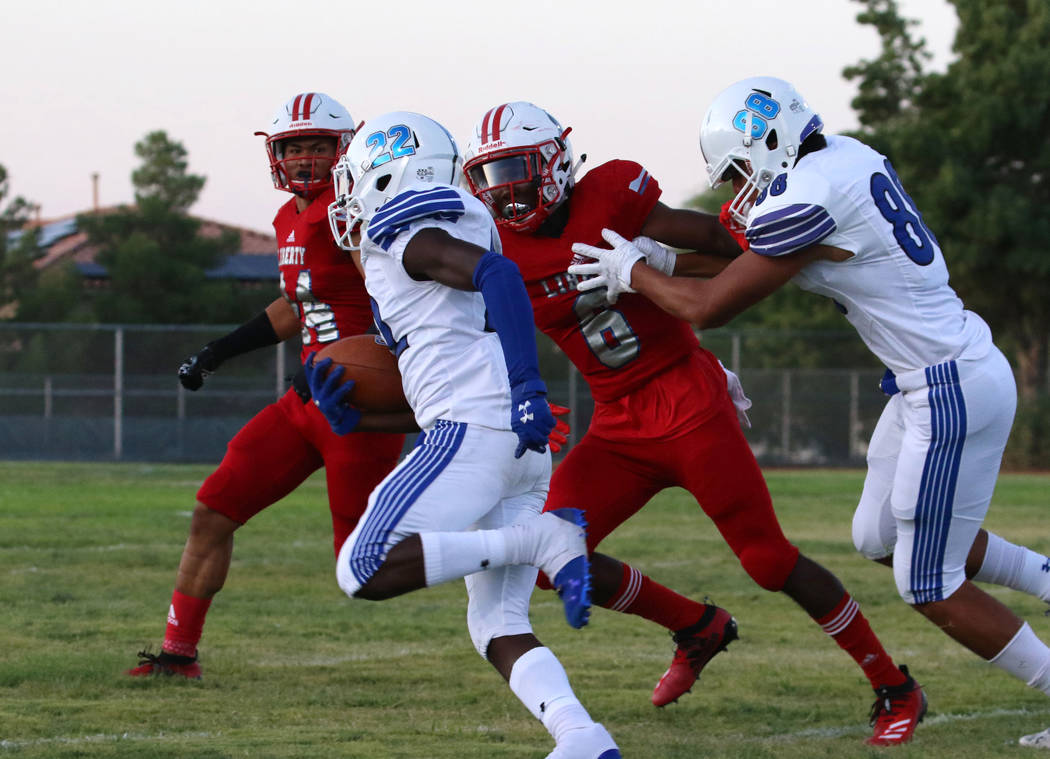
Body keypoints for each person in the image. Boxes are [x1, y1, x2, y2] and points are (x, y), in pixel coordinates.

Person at [569, 75, 1050, 749]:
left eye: (739, 169)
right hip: (929, 380)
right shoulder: (843, 158)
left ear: (770, 142)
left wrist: (634, 271)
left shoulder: (812, 193)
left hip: (950, 386)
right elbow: (742, 255)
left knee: (928, 582)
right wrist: (655, 257)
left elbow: (712, 303)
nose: (738, 187)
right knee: (878, 538)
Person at [463, 100, 925, 745]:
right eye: (487, 174)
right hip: (618, 423)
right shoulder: (494, 248)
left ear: (552, 162)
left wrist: (658, 267)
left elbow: (733, 246)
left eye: (513, 166)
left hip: (688, 404)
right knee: (550, 554)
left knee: (767, 560)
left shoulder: (612, 196)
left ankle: (894, 684)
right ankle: (697, 625)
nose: (501, 187)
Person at [313, 110, 620, 759]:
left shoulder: (405, 230)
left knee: (361, 566)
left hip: (475, 426)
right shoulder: (451, 221)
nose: (344, 199)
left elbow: (499, 278)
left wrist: (531, 384)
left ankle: (540, 537)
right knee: (497, 621)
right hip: (503, 434)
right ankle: (582, 737)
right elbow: (446, 364)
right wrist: (361, 417)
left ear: (386, 173)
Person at [126, 92, 407, 679]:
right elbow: (294, 304)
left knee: (363, 570)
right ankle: (179, 655)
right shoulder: (288, 219)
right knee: (213, 509)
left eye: (317, 146)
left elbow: (396, 301)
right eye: (293, 147)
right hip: (305, 401)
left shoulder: (356, 208)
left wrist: (363, 359)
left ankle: (502, 542)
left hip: (358, 404)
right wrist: (218, 351)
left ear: (345, 148)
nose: (304, 159)